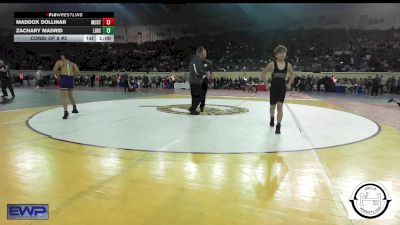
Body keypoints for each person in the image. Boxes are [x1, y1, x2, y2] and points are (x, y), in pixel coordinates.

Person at [260, 45, 296, 134]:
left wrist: (289, 83)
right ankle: (272, 118)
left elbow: (293, 74)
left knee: (280, 106)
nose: (283, 54)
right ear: (276, 55)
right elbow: (263, 74)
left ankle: (278, 126)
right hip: (274, 88)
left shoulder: (288, 65)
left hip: (282, 88)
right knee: (272, 107)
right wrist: (266, 84)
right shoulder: (272, 64)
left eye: (284, 52)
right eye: (280, 52)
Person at [52, 52, 80, 119]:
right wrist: (73, 77)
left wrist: (57, 77)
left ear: (63, 56)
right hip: (71, 80)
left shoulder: (59, 62)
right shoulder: (73, 64)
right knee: (70, 95)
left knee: (64, 97)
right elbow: (78, 72)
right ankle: (75, 108)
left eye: (61, 55)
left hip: (64, 79)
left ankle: (65, 112)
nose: (61, 57)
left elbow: (54, 71)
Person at [188, 46, 208, 115]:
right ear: (200, 53)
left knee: (195, 96)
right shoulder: (197, 60)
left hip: (194, 81)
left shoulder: (195, 60)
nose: (205, 54)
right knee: (200, 95)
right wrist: (205, 74)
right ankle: (192, 108)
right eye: (204, 53)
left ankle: (192, 109)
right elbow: (198, 71)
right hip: (195, 81)